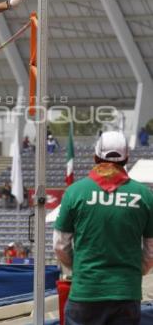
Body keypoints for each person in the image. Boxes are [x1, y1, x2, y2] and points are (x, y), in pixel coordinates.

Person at [53, 130, 153, 325]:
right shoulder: (145, 196)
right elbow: (151, 252)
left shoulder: (75, 192)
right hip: (126, 292)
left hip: (85, 291)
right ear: (126, 158)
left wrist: (80, 268)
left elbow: (60, 245)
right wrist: (132, 272)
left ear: (95, 156)